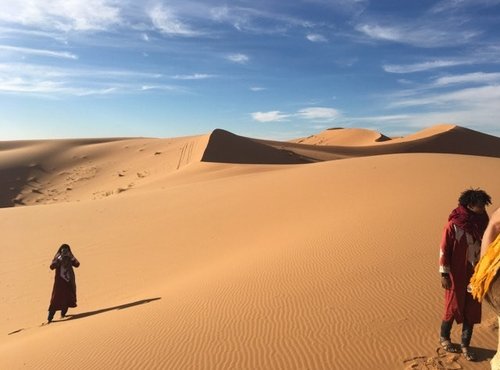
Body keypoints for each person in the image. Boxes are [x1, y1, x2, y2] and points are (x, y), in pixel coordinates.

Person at [439, 189, 491, 361]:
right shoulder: (453, 225)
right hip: (456, 273)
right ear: (470, 205)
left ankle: (465, 345)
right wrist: (444, 274)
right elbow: (444, 249)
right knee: (453, 306)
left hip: (476, 273)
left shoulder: (484, 222)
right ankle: (444, 337)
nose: (484, 208)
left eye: (484, 205)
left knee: (472, 309)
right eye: (481, 205)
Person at [48, 244, 80, 323]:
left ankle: (63, 314)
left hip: (69, 281)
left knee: (68, 298)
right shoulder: (58, 257)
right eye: (63, 250)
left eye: (67, 250)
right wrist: (59, 258)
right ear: (60, 251)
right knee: (56, 299)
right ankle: (50, 317)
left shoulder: (70, 257)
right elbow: (52, 266)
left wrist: (71, 257)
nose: (65, 252)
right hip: (59, 283)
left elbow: (77, 264)